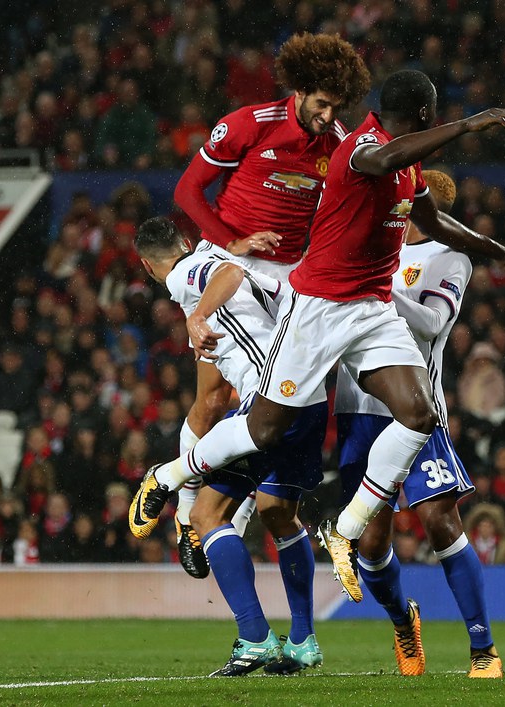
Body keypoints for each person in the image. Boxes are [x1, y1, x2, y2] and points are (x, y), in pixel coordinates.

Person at [131, 70, 505, 612]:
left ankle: (344, 527)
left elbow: (435, 224)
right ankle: (169, 475)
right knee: (263, 426)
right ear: (425, 116)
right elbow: (383, 161)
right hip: (319, 306)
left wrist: (504, 255)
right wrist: (467, 126)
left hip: (372, 309)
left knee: (420, 413)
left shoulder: (407, 161)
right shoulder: (360, 147)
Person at [169, 33, 371, 577]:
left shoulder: (342, 144)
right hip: (228, 265)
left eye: (336, 107)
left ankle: (220, 517)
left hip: (289, 279)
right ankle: (190, 512)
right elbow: (188, 192)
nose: (327, 116)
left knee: (271, 401)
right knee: (212, 399)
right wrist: (228, 240)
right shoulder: (247, 124)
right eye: (320, 104)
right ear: (300, 90)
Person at [133, 217, 324, 677]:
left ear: (147, 266)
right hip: (311, 399)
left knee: (207, 516)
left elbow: (227, 275)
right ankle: (302, 640)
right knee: (279, 513)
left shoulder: (186, 274)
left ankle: (255, 638)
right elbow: (240, 272)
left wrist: (197, 315)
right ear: (184, 240)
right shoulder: (231, 257)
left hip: (268, 402)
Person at [334, 170, 500, 678]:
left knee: (440, 522)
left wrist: (379, 287)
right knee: (371, 543)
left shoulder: (451, 259)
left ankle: (483, 649)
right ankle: (403, 624)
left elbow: (432, 324)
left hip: (417, 409)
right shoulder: (365, 244)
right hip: (357, 410)